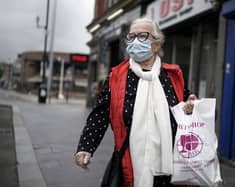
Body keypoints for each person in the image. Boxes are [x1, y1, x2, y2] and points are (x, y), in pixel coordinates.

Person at [75, 17, 197, 187]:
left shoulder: (172, 75)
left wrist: (192, 103)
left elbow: (185, 99)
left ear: (157, 44)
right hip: (129, 161)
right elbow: (100, 114)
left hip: (168, 163)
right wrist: (86, 146)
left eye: (142, 36)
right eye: (131, 37)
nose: (135, 41)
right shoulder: (116, 77)